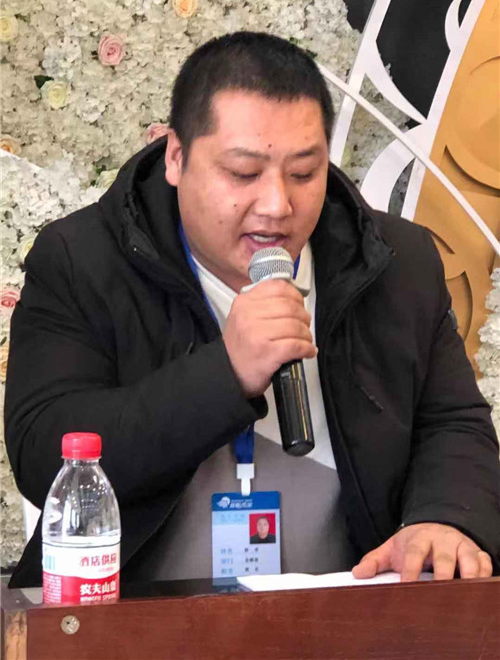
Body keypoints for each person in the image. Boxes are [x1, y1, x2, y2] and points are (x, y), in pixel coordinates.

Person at [5, 32, 500, 588]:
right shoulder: (82, 259)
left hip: (347, 609)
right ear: (176, 156)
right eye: (244, 173)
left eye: (304, 173)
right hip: (137, 613)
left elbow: (452, 422)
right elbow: (44, 454)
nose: (277, 206)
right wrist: (225, 373)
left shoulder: (394, 260)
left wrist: (446, 517)